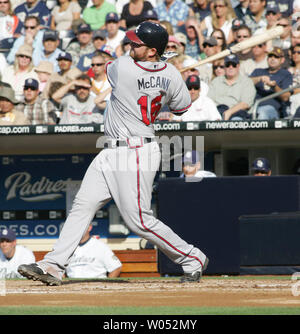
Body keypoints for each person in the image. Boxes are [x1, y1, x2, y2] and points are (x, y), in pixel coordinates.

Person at [18, 21, 209, 286]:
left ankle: (192, 258)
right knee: (81, 207)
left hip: (136, 150)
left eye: (137, 44)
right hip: (110, 150)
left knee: (139, 220)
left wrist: (158, 68)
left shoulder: (122, 67)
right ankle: (53, 265)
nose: (131, 45)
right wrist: (165, 73)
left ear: (152, 50)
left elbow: (115, 69)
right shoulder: (172, 74)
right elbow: (181, 107)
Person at [208, 54, 257, 120]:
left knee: (236, 120)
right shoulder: (216, 81)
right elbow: (209, 101)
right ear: (224, 67)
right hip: (218, 112)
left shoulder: (247, 82)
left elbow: (245, 104)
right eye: (228, 65)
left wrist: (229, 112)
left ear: (238, 66)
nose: (231, 67)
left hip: (238, 114)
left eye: (234, 65)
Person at [250, 46, 293, 119]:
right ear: (267, 59)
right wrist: (259, 78)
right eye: (270, 56)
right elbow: (245, 83)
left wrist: (274, 86)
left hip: (274, 110)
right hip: (252, 107)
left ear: (282, 60)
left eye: (276, 57)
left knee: (262, 112)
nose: (272, 59)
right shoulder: (258, 71)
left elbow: (286, 97)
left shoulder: (286, 74)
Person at [288, 44, 300, 118]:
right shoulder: (287, 70)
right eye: (294, 52)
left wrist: (293, 91)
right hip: (288, 97)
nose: (296, 54)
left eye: (299, 52)